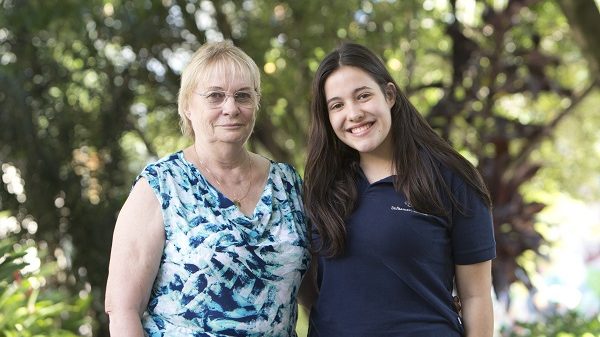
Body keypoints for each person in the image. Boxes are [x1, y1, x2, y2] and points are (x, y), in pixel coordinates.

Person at [105, 40, 311, 336]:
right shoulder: (161, 185)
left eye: (243, 95)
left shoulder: (287, 183)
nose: (231, 108)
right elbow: (122, 310)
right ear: (187, 105)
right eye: (215, 96)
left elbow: (315, 295)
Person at [303, 42, 496, 337]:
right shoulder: (321, 186)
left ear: (389, 95)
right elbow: (309, 286)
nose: (353, 113)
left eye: (363, 96)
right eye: (337, 105)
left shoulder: (451, 179)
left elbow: (476, 297)